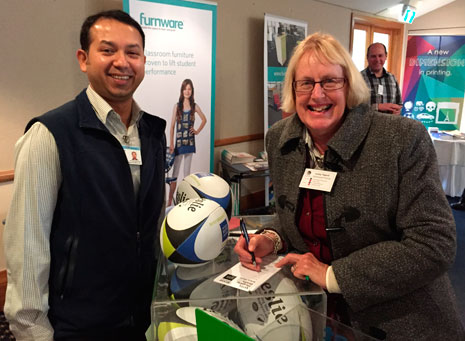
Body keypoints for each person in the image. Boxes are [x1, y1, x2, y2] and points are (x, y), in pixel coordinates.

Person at [234, 32, 464, 340]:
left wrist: (334, 275)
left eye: (330, 81)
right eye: (306, 83)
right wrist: (272, 238)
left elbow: (434, 243)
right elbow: (297, 214)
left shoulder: (401, 139)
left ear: (349, 85)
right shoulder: (279, 140)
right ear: (292, 89)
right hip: (318, 315)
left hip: (400, 320)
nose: (317, 95)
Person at [4, 10, 166, 341]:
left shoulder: (152, 132)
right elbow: (27, 247)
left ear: (143, 61)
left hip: (140, 317)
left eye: (132, 53)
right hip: (77, 326)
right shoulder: (50, 135)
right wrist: (33, 332)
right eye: (108, 50)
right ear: (83, 59)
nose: (122, 62)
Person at [167, 79, 207, 205]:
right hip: (179, 144)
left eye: (189, 89)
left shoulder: (194, 106)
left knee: (186, 174)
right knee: (175, 174)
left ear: (192, 91)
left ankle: (183, 201)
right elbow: (172, 126)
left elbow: (204, 119)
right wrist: (172, 143)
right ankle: (169, 201)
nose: (187, 91)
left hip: (189, 143)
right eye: (185, 89)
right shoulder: (177, 106)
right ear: (182, 90)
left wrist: (197, 131)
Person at [361, 42, 403, 115]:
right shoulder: (358, 79)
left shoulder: (392, 79)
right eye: (373, 56)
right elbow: (352, 108)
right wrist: (377, 107)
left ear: (386, 56)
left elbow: (399, 104)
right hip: (366, 125)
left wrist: (398, 111)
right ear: (367, 57)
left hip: (389, 125)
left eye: (380, 56)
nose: (377, 60)